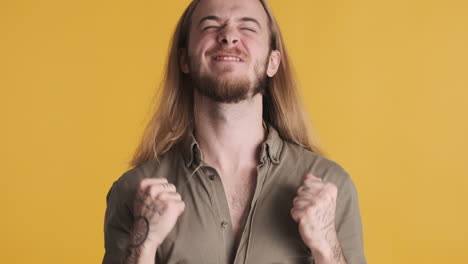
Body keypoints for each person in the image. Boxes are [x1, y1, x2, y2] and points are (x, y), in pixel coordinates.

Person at [103, 0, 366, 263]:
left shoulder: (331, 186)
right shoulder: (135, 192)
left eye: (248, 27)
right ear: (184, 59)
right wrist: (144, 244)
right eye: (210, 25)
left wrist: (326, 245)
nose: (228, 35)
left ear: (272, 62)